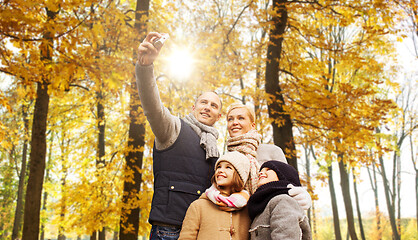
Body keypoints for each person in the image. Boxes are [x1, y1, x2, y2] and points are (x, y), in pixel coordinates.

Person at [136, 32, 222, 239]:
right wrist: (145, 67)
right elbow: (152, 106)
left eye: (213, 105)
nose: (207, 107)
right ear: (193, 107)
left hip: (202, 232)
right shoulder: (173, 128)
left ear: (219, 115)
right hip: (169, 230)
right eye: (203, 102)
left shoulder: (216, 150)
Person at [226, 103, 311, 210]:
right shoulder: (225, 159)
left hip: (269, 214)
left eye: (241, 118)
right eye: (230, 119)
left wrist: (303, 196)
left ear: (252, 125)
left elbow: (290, 184)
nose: (234, 123)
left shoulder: (272, 151)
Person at [179, 151, 252, 240]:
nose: (220, 170)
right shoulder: (198, 206)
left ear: (240, 176)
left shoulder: (248, 209)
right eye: (218, 167)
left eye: (228, 167)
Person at [247, 160, 312, 240]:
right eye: (260, 171)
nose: (260, 173)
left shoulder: (283, 201)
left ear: (283, 175)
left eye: (268, 169)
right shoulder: (262, 208)